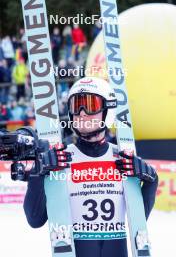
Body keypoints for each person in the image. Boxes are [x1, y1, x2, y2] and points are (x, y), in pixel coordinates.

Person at [23, 77, 158, 257]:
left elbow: (138, 222)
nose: (82, 113)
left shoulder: (123, 158)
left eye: (90, 105)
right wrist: (36, 174)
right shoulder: (60, 159)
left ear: (107, 111)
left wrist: (151, 181)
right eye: (76, 106)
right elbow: (35, 220)